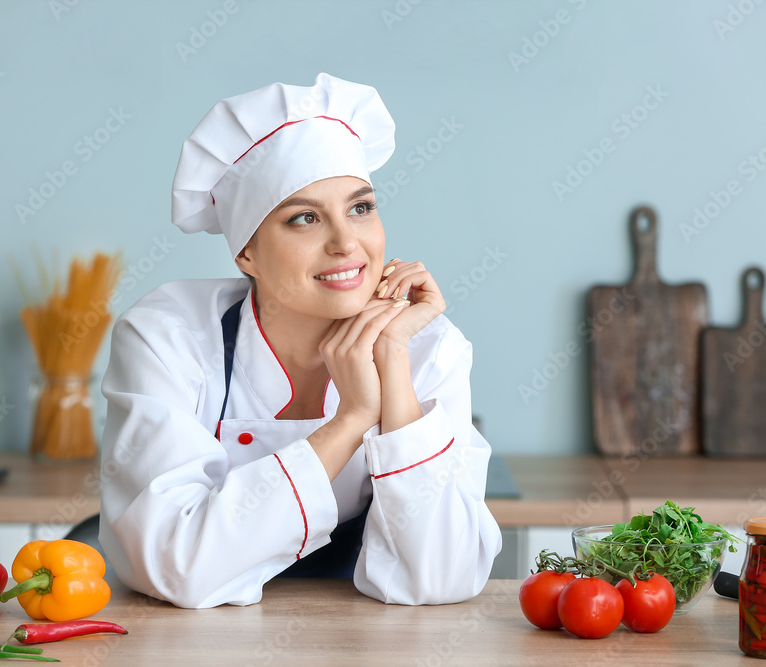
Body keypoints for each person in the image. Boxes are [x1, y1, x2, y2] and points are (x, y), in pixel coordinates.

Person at [98, 73, 502, 609]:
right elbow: (179, 567)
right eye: (305, 218)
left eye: (361, 208)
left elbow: (441, 578)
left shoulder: (427, 346)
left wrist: (393, 367)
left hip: (367, 644)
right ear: (247, 255)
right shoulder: (168, 337)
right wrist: (354, 418)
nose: (346, 244)